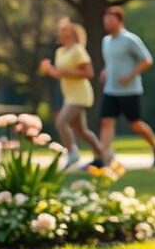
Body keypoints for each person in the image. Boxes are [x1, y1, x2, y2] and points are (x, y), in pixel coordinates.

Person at [98, 6, 155, 168]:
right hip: (110, 89)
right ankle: (102, 158)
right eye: (105, 19)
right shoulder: (106, 41)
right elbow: (111, 62)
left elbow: (147, 60)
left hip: (129, 90)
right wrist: (105, 71)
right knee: (106, 122)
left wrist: (130, 75)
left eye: (110, 19)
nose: (107, 23)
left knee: (135, 124)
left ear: (120, 20)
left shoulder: (130, 39)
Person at [39, 17, 106, 169]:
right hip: (69, 95)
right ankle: (103, 155)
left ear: (73, 33)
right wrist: (49, 69)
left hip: (80, 94)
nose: (61, 32)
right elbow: (58, 73)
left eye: (65, 29)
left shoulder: (78, 50)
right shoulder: (60, 51)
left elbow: (88, 73)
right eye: (61, 30)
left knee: (61, 122)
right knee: (82, 131)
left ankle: (72, 152)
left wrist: (62, 72)